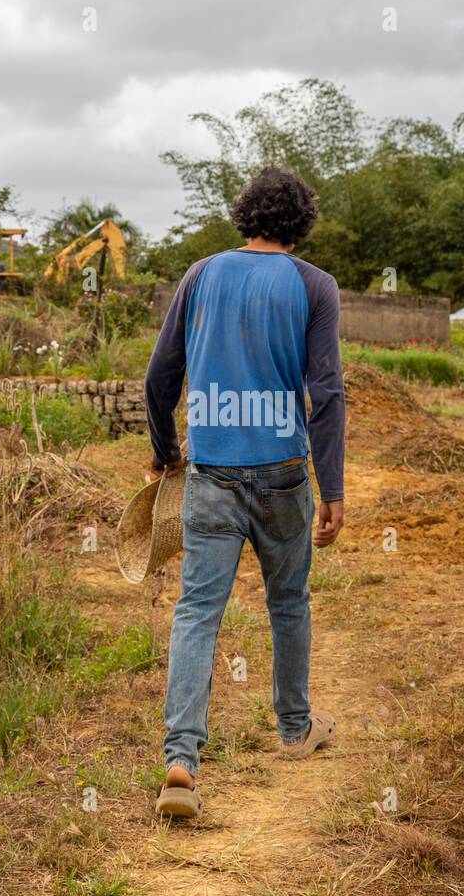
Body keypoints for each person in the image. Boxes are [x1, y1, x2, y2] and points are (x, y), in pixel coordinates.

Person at [145, 166, 346, 820]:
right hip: (285, 470)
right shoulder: (315, 286)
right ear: (301, 222)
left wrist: (166, 452)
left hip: (211, 472)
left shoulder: (201, 275)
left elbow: (159, 377)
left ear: (246, 214)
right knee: (288, 599)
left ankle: (181, 761)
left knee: (198, 609)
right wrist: (333, 485)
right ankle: (295, 729)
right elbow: (326, 395)